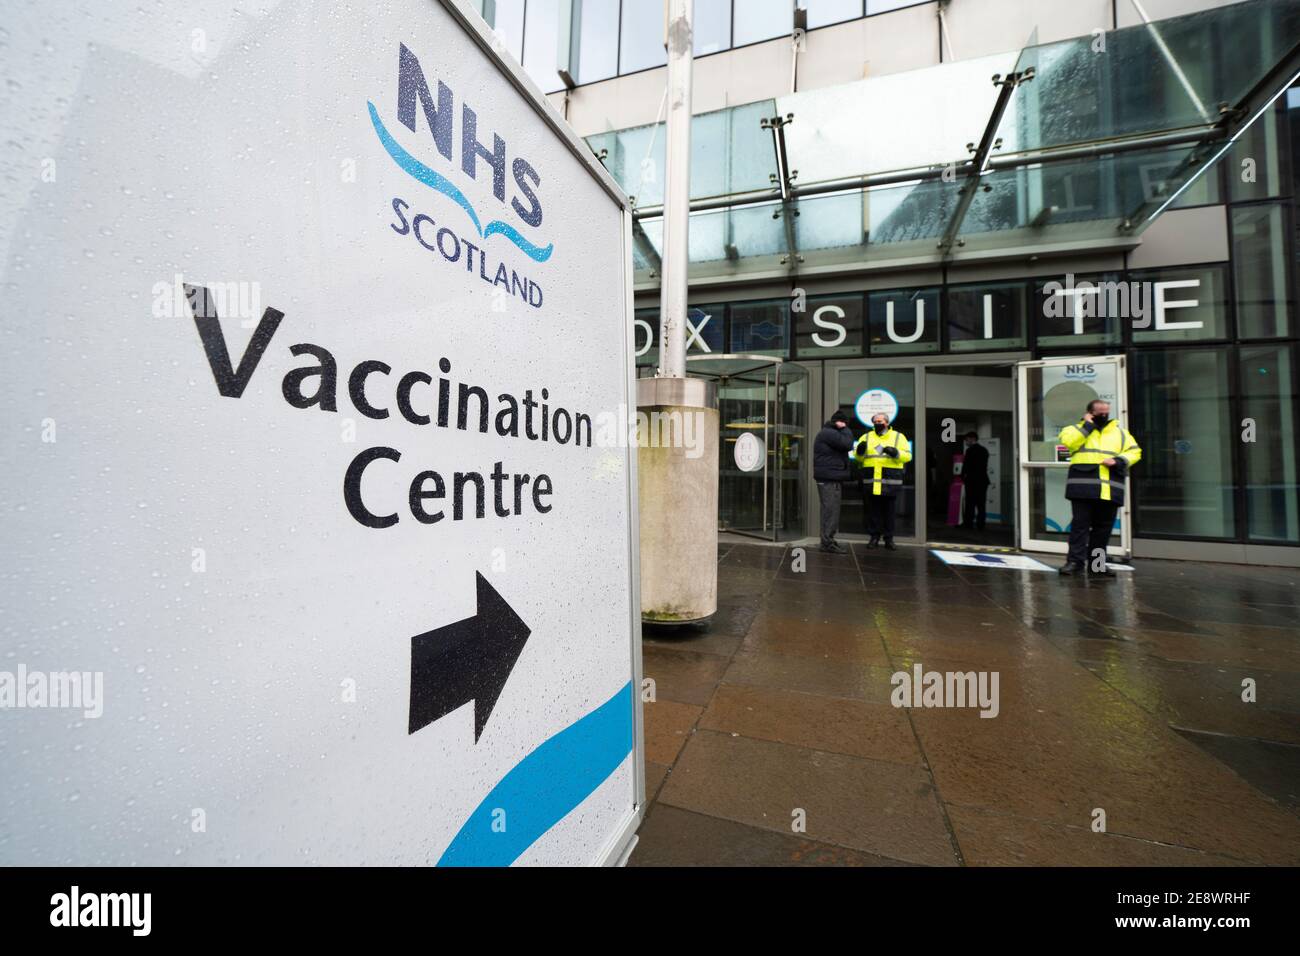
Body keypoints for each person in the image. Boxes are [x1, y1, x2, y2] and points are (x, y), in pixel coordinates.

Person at [1057, 399, 1142, 576]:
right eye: (1099, 412)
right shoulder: (1072, 430)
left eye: (1106, 412)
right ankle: (1074, 563)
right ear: (1089, 413)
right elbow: (1069, 444)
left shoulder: (1121, 433)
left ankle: (1097, 565)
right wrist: (1087, 426)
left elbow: (1135, 452)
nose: (1104, 415)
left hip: (1110, 488)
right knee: (1080, 528)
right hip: (1083, 488)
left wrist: (1118, 460)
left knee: (1102, 530)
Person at [853, 412, 912, 550]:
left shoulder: (898, 436)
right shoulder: (866, 436)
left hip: (889, 481)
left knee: (889, 513)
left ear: (887, 422)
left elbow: (908, 456)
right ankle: (874, 538)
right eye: (875, 421)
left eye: (880, 421)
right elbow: (858, 458)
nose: (877, 423)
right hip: (871, 481)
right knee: (873, 512)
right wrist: (859, 452)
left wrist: (896, 453)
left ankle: (889, 539)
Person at [812, 410, 854, 553]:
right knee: (830, 510)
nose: (845, 425)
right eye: (843, 422)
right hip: (828, 478)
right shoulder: (829, 433)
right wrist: (845, 428)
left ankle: (828, 540)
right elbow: (848, 444)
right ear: (837, 421)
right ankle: (827, 543)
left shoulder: (831, 432)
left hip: (831, 477)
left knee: (832, 510)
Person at [959, 431, 990, 531]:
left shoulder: (969, 451)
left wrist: (962, 477)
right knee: (981, 504)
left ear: (972, 439)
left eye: (967, 439)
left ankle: (969, 524)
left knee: (970, 503)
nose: (965, 442)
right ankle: (981, 525)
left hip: (972, 481)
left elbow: (966, 466)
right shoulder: (984, 450)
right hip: (983, 480)